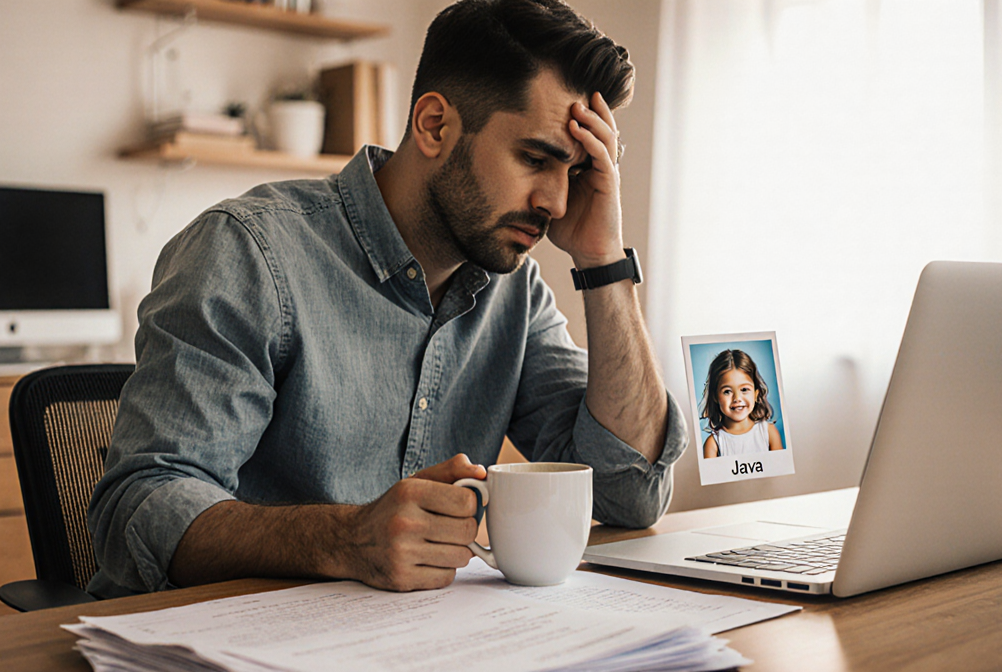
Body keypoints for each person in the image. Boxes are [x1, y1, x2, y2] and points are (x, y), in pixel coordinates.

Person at [87, 0, 687, 598]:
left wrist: (603, 259)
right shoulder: (247, 254)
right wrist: (344, 538)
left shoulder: (516, 292)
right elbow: (138, 509)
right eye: (536, 159)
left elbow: (628, 492)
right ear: (434, 126)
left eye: (576, 173)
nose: (557, 203)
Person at [700, 349, 783, 459]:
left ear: (756, 394)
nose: (737, 398)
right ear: (715, 396)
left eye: (744, 389)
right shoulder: (713, 444)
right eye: (727, 391)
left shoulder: (769, 432)